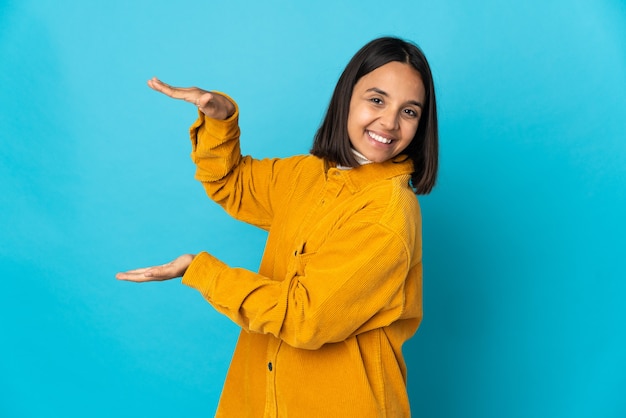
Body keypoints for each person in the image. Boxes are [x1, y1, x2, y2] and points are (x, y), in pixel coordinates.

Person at [117, 36, 438, 417]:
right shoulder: (307, 174)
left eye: (410, 111)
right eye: (377, 99)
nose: (389, 122)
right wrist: (220, 119)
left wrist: (200, 271)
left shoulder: (387, 214)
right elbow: (231, 183)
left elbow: (305, 317)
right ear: (347, 96)